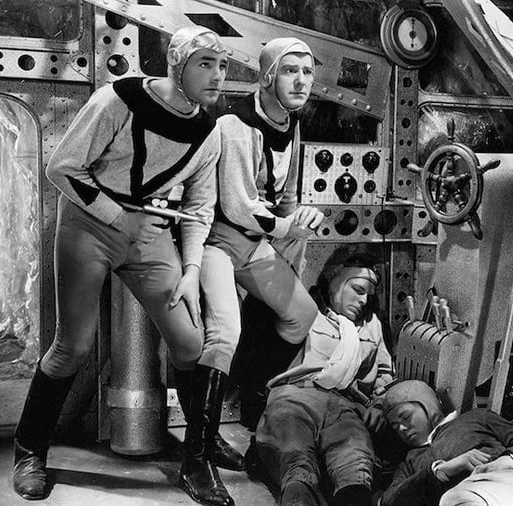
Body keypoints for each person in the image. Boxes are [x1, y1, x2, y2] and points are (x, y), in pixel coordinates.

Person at [11, 26, 229, 501]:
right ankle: (29, 452)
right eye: (205, 64)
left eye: (223, 65)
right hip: (88, 224)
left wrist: (192, 270)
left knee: (190, 343)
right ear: (176, 63)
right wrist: (120, 218)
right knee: (72, 346)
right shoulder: (118, 99)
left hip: (148, 235)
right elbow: (61, 167)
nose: (217, 76)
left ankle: (198, 459)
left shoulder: (208, 130)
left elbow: (199, 207)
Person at [180, 36, 325, 505]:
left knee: (301, 315)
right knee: (224, 332)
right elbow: (239, 205)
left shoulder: (291, 123)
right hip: (217, 240)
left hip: (254, 242)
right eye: (290, 71)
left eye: (307, 71)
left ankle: (253, 399)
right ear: (267, 76)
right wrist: (285, 226)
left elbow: (287, 197)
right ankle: (195, 460)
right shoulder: (236, 124)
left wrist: (302, 216)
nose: (301, 81)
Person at [253, 253, 395, 506]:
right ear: (334, 283)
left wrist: (380, 403)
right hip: (296, 396)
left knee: (355, 463)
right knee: (296, 460)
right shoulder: (305, 311)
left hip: (345, 405)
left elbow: (385, 374)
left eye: (369, 296)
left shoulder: (372, 325)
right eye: (358, 290)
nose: (364, 300)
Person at [380, 379, 513, 506]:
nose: (401, 428)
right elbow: (389, 501)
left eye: (406, 417)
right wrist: (440, 471)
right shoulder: (410, 462)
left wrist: (506, 461)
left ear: (428, 406)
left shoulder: (476, 418)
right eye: (395, 426)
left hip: (510, 485)